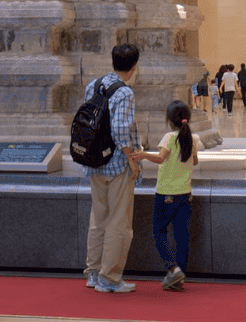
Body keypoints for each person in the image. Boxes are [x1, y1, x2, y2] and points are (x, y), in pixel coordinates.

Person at [83, 43, 141, 295]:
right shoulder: (125, 92)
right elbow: (120, 131)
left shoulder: (94, 85)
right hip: (117, 164)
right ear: (134, 67)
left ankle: (94, 273)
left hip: (94, 161)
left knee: (98, 219)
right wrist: (131, 159)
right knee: (119, 223)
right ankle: (110, 277)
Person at [133, 100, 200, 291]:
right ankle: (180, 274)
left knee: (159, 231)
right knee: (181, 235)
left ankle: (173, 268)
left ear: (170, 119)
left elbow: (161, 158)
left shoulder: (170, 137)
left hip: (166, 194)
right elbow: (194, 161)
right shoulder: (191, 138)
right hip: (185, 194)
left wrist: (143, 154)